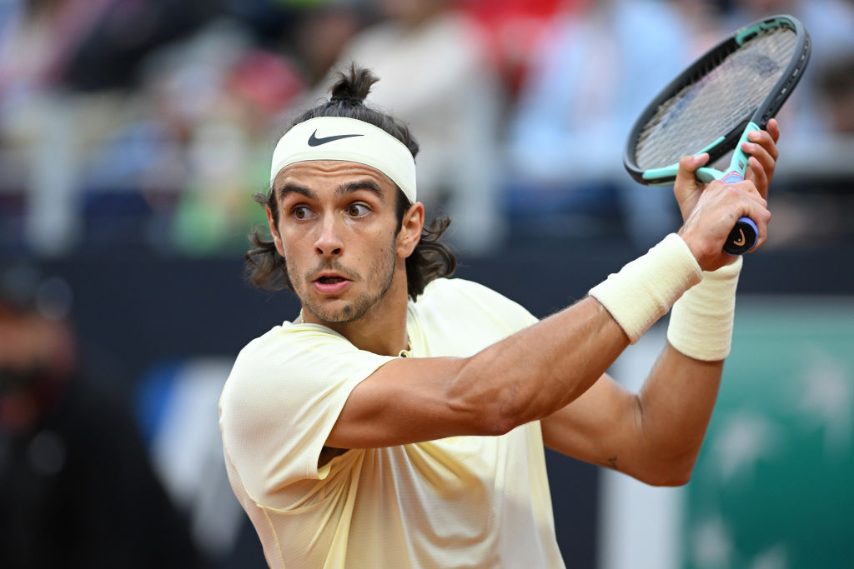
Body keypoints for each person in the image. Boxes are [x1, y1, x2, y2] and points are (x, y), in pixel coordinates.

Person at [219, 65, 780, 568]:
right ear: (277, 231)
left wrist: (713, 264)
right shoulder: (269, 380)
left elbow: (656, 447)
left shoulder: (471, 310)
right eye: (301, 211)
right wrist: (685, 250)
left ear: (408, 227)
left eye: (357, 208)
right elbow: (488, 398)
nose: (326, 239)